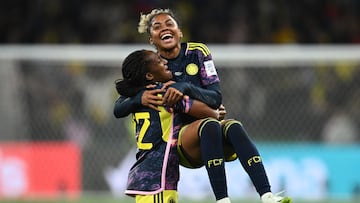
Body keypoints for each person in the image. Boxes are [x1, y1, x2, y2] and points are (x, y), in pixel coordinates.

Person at [114, 8, 292, 203]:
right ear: (151, 39)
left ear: (179, 31)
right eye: (157, 27)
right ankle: (222, 199)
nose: (164, 28)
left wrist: (187, 88)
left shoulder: (197, 53)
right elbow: (120, 106)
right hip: (179, 141)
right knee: (210, 123)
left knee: (234, 127)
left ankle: (267, 196)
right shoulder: (152, 69)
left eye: (169, 24)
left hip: (190, 142)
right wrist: (139, 99)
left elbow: (215, 97)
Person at [116, 49, 225, 203]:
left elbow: (118, 109)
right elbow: (207, 111)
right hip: (157, 176)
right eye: (159, 61)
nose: (165, 62)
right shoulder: (164, 94)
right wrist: (216, 113)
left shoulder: (140, 94)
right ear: (149, 76)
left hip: (148, 174)